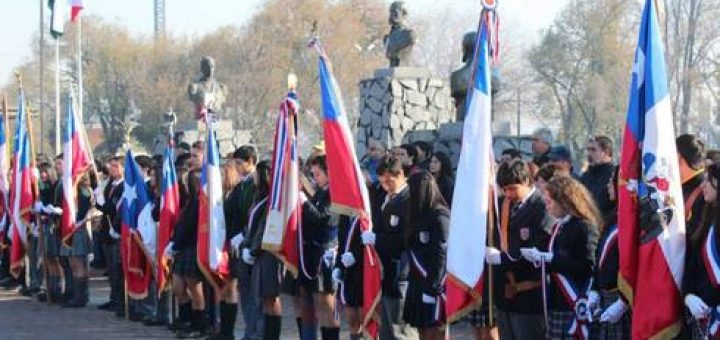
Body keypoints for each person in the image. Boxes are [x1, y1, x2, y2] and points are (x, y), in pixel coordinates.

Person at [521, 175, 600, 340]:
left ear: (564, 201)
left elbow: (587, 267)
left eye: (550, 202)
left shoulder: (584, 227)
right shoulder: (560, 226)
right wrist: (539, 258)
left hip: (573, 301)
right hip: (556, 300)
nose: (547, 207)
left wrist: (551, 259)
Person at [484, 159, 554, 340]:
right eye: (504, 189)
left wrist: (503, 258)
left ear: (527, 181)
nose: (508, 194)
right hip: (504, 292)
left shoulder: (542, 207)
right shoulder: (502, 205)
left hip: (528, 292)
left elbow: (537, 248)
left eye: (513, 188)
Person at [365, 154, 418, 339]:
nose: (386, 186)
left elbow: (406, 238)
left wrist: (377, 239)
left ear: (401, 174)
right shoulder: (386, 197)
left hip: (402, 273)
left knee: (401, 332)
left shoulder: (409, 198)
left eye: (390, 181)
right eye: (382, 182)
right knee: (387, 332)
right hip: (385, 273)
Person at [403, 171, 450, 340]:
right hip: (417, 281)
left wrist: (432, 286)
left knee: (434, 332)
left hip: (432, 283)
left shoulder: (440, 215)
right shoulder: (417, 215)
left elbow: (441, 254)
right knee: (422, 332)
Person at [299, 155, 340, 340]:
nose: (315, 177)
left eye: (318, 173)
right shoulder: (321, 192)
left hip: (325, 253)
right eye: (313, 173)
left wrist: (303, 201)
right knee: (317, 306)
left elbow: (324, 218)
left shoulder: (334, 192)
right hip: (312, 253)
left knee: (327, 307)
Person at [588, 166, 631, 338]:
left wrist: (624, 302)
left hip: (620, 299)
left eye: (612, 181)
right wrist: (595, 289)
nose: (608, 185)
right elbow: (600, 256)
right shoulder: (613, 216)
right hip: (605, 296)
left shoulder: (634, 220)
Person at [244, 161, 284, 340]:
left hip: (269, 252)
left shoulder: (273, 199)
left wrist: (253, 249)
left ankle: (272, 336)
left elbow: (265, 226)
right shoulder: (260, 196)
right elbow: (252, 224)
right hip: (258, 251)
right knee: (264, 298)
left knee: (271, 296)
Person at [226, 145, 262, 340]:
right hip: (239, 245)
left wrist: (243, 234)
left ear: (250, 161)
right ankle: (250, 331)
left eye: (240, 163)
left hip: (251, 243)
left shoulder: (256, 185)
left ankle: (256, 332)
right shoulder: (241, 185)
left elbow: (253, 215)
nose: (237, 167)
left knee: (254, 294)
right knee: (244, 291)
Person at [683, 162, 720, 339]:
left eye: (709, 180)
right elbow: (694, 264)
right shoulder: (708, 219)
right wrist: (689, 295)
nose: (703, 185)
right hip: (703, 314)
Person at [169, 169, 207, 338]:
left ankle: (197, 324)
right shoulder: (190, 201)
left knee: (195, 288)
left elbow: (191, 227)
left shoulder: (201, 202)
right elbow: (182, 224)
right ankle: (185, 319)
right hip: (182, 248)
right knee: (178, 286)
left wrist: (178, 243)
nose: (184, 185)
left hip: (192, 247)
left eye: (188, 181)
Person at [96, 155, 125, 316]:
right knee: (111, 269)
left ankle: (120, 300)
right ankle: (113, 297)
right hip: (107, 231)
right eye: (111, 166)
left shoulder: (124, 186)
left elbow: (114, 208)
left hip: (117, 230)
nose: (112, 169)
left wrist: (103, 206)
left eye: (116, 166)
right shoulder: (110, 185)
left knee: (117, 269)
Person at [580, 136, 615, 218]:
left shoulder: (614, 176)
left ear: (606, 152)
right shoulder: (585, 176)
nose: (589, 154)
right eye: (588, 150)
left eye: (593, 150)